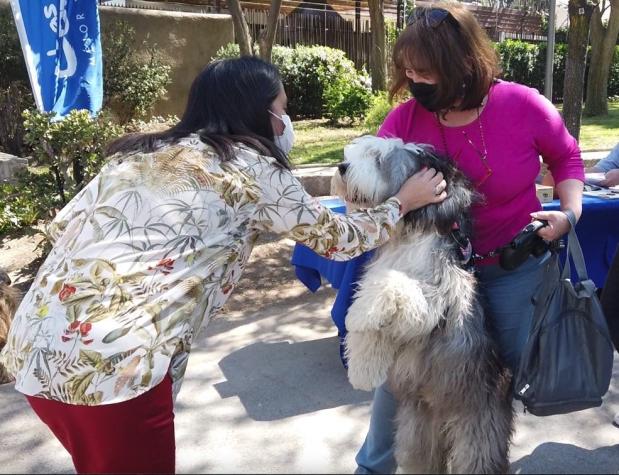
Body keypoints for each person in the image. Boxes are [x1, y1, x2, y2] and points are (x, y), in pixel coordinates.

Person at [0, 57, 449, 474]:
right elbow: (340, 240)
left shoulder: (136, 155)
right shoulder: (253, 168)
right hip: (114, 368)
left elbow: (65, 233)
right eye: (281, 109)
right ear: (258, 112)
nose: (284, 122)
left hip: (34, 350)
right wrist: (402, 202)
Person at [354, 4, 584, 473]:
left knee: (492, 390)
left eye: (427, 71)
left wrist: (569, 213)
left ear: (463, 64)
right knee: (399, 388)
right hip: (427, 280)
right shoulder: (403, 121)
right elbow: (367, 192)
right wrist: (402, 200)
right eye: (409, 71)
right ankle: (373, 468)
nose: (415, 80)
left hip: (512, 271)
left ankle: (479, 464)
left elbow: (568, 158)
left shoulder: (523, 104)